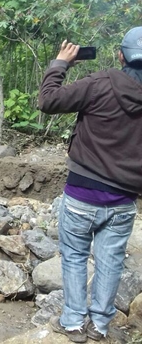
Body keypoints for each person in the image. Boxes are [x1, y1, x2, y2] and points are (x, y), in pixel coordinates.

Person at [38, 31, 142, 343]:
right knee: (110, 262)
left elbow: (49, 101)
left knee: (74, 256)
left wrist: (60, 63)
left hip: (82, 192)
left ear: (121, 56)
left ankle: (72, 323)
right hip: (124, 198)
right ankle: (99, 326)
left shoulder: (102, 81)